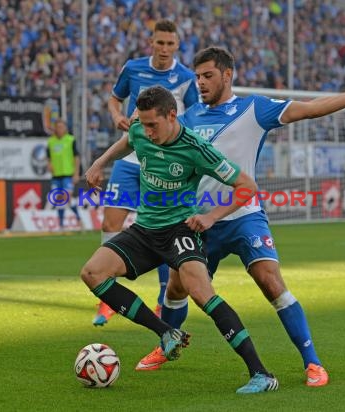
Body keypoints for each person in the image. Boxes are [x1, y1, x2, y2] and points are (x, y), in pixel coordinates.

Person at [136, 47, 345, 387]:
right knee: (177, 285)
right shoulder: (189, 117)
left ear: (227, 76)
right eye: (197, 77)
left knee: (271, 281)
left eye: (208, 76)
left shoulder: (254, 108)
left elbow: (311, 109)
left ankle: (312, 362)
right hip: (200, 220)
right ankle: (166, 344)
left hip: (243, 215)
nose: (200, 82)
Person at [81, 86, 279, 394]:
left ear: (172, 116)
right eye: (143, 124)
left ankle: (261, 374)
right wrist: (99, 162)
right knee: (92, 273)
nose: (146, 131)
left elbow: (246, 185)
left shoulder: (196, 148)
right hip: (145, 229)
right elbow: (127, 141)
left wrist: (212, 216)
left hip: (179, 230)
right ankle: (166, 332)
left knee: (201, 292)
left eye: (152, 125)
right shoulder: (140, 130)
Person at [93, 19, 199, 326]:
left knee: (164, 227)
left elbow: (193, 116)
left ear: (177, 45)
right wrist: (116, 116)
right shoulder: (133, 68)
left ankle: (161, 300)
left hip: (164, 163)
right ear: (150, 42)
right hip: (131, 158)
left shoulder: (186, 78)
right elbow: (114, 98)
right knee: (110, 220)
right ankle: (107, 298)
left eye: (170, 43)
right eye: (159, 42)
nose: (164, 49)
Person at [46, 118, 81, 229]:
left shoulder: (70, 140)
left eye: (62, 127)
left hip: (67, 174)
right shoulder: (51, 141)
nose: (60, 129)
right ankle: (61, 224)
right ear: (55, 128)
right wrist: (49, 164)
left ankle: (78, 218)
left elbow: (76, 157)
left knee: (67, 196)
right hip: (56, 175)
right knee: (59, 198)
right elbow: (48, 157)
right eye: (58, 127)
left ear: (65, 128)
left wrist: (76, 173)